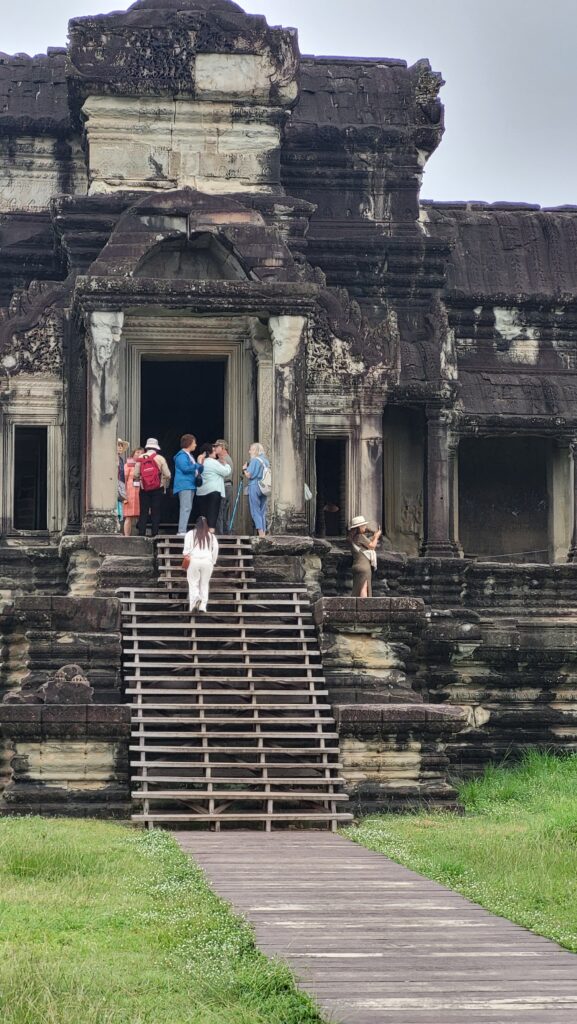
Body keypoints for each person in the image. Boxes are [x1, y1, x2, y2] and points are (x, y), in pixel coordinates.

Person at [135, 437, 171, 538]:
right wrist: (162, 481)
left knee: (144, 511)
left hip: (144, 488)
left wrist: (143, 479)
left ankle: (141, 533)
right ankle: (155, 533)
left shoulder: (140, 458)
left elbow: (135, 474)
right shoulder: (160, 458)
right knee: (156, 511)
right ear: (156, 448)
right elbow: (168, 474)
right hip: (157, 488)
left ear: (147, 447)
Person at [183, 516, 219, 614]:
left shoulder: (190, 534)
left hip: (193, 561)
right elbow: (215, 549)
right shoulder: (211, 536)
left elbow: (186, 551)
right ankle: (203, 606)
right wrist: (213, 561)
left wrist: (187, 555)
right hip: (207, 561)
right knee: (204, 584)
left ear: (196, 524)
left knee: (193, 583)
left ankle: (195, 602)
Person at [194, 444, 231, 532]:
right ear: (209, 452)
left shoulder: (200, 462)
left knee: (204, 516)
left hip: (201, 492)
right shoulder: (212, 462)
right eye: (214, 451)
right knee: (212, 514)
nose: (215, 453)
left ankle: (203, 534)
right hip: (213, 491)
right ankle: (211, 534)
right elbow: (226, 472)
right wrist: (226, 464)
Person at [173, 434, 203, 537]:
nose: (195, 445)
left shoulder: (189, 455)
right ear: (189, 443)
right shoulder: (181, 455)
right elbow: (185, 468)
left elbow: (196, 469)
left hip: (190, 484)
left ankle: (182, 529)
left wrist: (200, 465)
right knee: (185, 507)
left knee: (188, 507)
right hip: (184, 484)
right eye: (194, 442)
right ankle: (181, 530)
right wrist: (197, 465)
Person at [347, 515, 382, 597]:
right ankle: (364, 605)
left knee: (357, 589)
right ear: (359, 527)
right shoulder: (360, 536)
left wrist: (373, 538)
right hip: (364, 567)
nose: (365, 527)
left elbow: (366, 546)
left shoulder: (352, 538)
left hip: (356, 566)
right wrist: (376, 536)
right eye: (363, 526)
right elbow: (372, 546)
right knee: (364, 589)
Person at [243, 442, 269, 537]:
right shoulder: (266, 461)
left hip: (255, 486)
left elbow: (249, 475)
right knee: (262, 511)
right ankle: (264, 533)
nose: (249, 452)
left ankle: (260, 533)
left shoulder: (254, 460)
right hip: (264, 487)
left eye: (251, 449)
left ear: (255, 450)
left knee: (255, 510)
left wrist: (244, 469)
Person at [122, 447, 144, 536]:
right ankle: (127, 536)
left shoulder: (144, 464)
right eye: (137, 452)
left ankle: (140, 534)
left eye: (141, 453)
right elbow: (124, 479)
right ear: (133, 454)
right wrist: (124, 493)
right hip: (130, 492)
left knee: (141, 515)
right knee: (128, 516)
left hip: (140, 492)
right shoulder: (128, 464)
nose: (139, 454)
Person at [213, 439, 234, 534]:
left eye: (217, 446)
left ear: (223, 448)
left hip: (224, 487)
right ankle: (226, 532)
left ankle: (220, 534)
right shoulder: (226, 459)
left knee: (219, 510)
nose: (214, 448)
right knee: (224, 511)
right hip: (228, 486)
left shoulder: (223, 460)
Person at [116, 439, 129, 530]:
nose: (120, 448)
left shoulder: (121, 459)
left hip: (120, 485)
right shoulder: (112, 457)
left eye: (121, 446)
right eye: (118, 445)